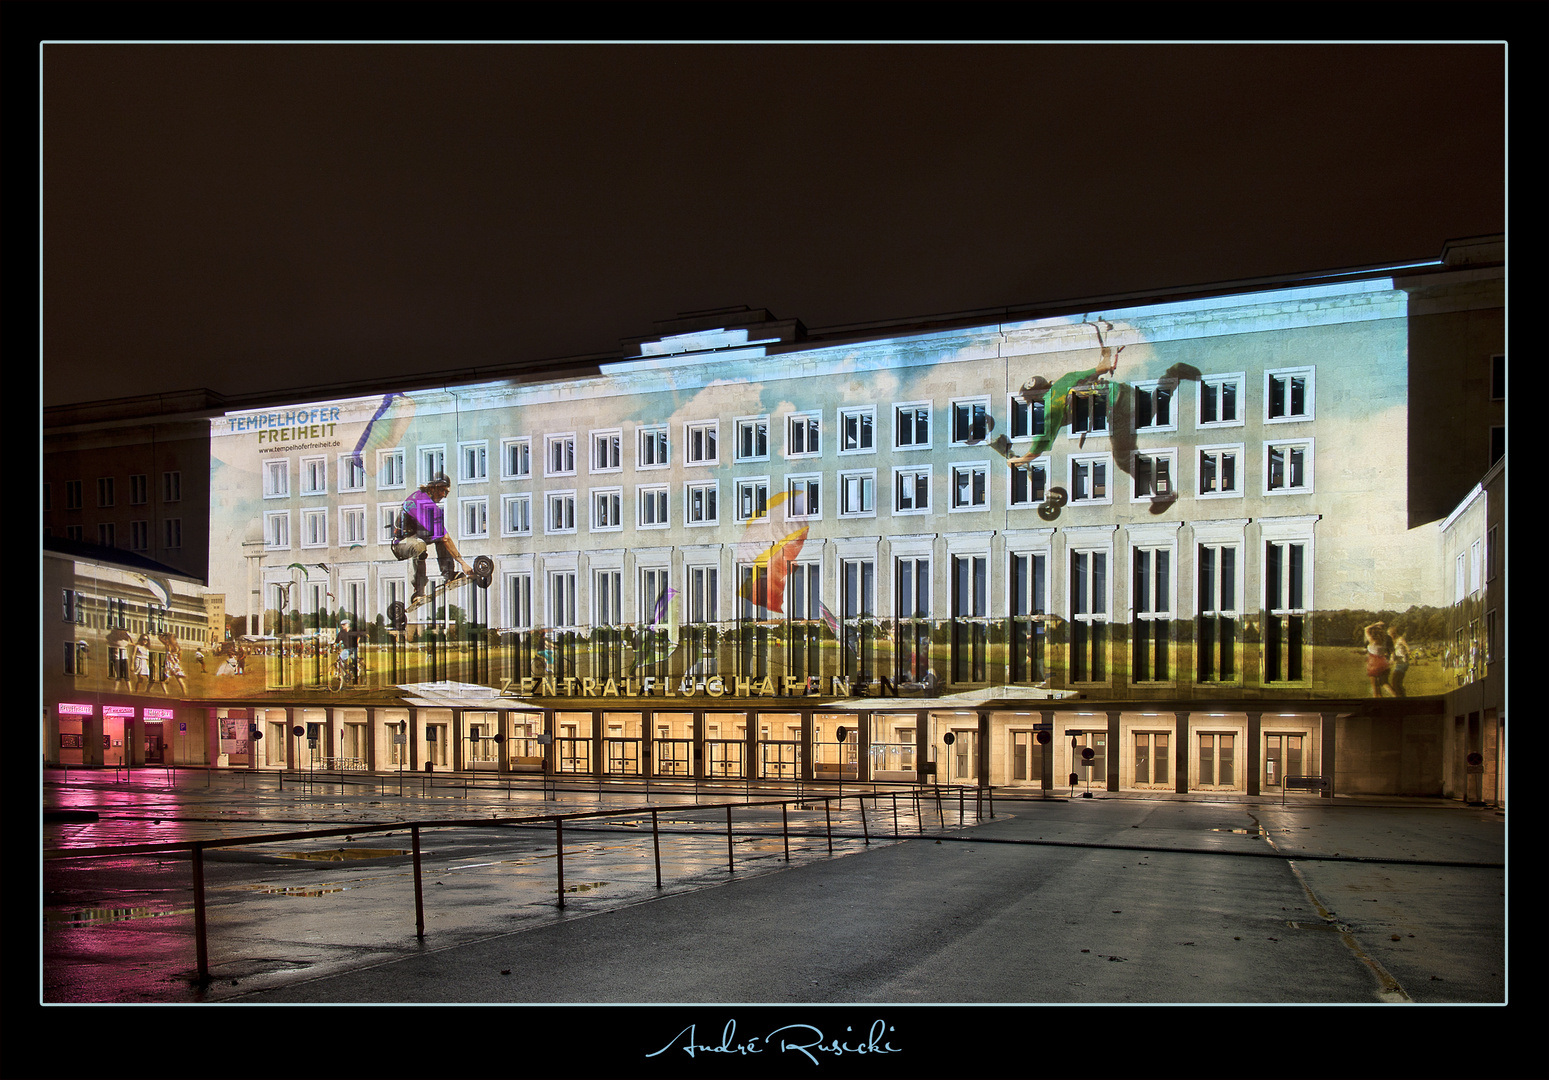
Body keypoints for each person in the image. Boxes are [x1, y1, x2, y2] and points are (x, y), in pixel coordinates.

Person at [392, 473, 473, 600]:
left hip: (415, 536)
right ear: (432, 488)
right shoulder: (420, 502)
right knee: (419, 546)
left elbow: (444, 536)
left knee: (439, 538)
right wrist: (462, 563)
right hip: (401, 544)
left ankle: (449, 575)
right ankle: (418, 591)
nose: (444, 495)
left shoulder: (428, 503)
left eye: (446, 492)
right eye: (442, 490)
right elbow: (446, 538)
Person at [1364, 621, 1393, 697]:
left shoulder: (1371, 640)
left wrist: (1375, 624)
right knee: (1385, 683)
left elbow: (1366, 629)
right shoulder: (1384, 640)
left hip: (1373, 664)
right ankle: (1396, 697)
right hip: (1383, 663)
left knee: (1375, 688)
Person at [1389, 631, 1410, 698]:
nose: (1389, 636)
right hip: (1399, 663)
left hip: (1402, 662)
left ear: (1393, 633)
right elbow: (1394, 653)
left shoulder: (1400, 639)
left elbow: (1406, 645)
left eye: (1390, 634)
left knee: (1394, 683)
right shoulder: (1394, 642)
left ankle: (1400, 697)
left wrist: (1408, 651)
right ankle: (1403, 697)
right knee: (1398, 683)